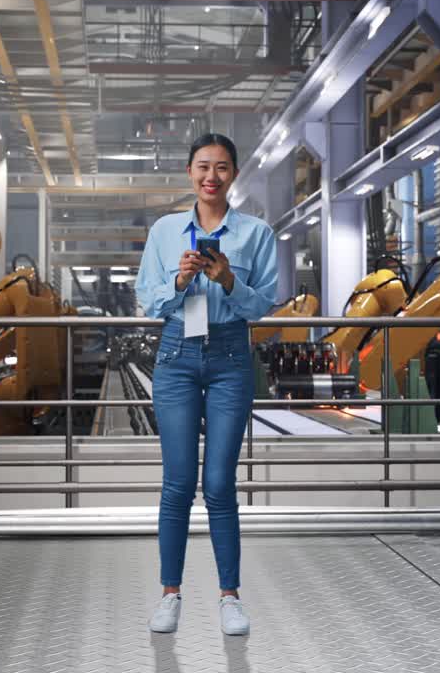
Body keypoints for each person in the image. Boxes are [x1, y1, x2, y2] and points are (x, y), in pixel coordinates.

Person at [136, 133, 279, 636]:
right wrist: (178, 282)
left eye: (221, 167)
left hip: (230, 357)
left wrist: (228, 281)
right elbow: (147, 297)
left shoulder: (256, 233)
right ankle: (170, 595)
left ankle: (229, 598)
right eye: (202, 167)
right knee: (177, 483)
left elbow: (265, 305)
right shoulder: (165, 231)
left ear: (234, 173)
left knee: (218, 483)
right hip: (176, 355)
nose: (211, 176)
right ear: (190, 172)